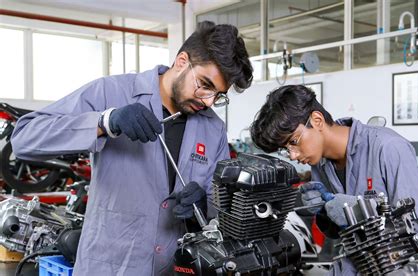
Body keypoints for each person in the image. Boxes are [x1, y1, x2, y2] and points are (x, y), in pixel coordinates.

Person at [11, 21, 253, 275]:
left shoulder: (212, 128)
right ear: (182, 61)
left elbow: (222, 204)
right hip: (108, 267)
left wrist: (203, 206)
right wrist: (105, 122)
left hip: (174, 268)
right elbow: (25, 138)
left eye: (218, 95)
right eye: (205, 84)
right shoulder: (111, 92)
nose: (208, 101)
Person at [250, 85, 418, 275]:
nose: (292, 155)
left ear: (317, 120)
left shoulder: (388, 148)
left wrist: (361, 213)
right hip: (351, 266)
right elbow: (337, 234)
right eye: (285, 149)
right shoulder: (320, 163)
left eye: (293, 142)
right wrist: (324, 211)